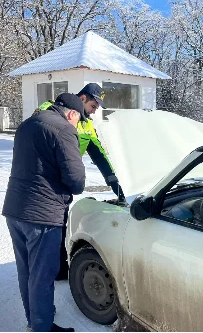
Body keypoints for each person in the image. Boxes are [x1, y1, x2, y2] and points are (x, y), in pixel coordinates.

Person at [3, 93, 86, 333]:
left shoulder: (28, 123)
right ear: (72, 113)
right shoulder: (63, 130)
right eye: (78, 119)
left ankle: (36, 321)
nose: (77, 124)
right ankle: (42, 328)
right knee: (42, 274)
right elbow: (76, 180)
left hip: (15, 209)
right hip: (42, 213)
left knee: (26, 270)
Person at [35, 83, 125, 280]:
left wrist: (117, 186)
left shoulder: (87, 124)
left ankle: (58, 269)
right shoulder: (47, 110)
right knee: (44, 229)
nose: (94, 112)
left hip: (65, 182)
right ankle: (43, 273)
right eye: (93, 106)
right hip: (43, 182)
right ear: (83, 98)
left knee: (61, 225)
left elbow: (100, 154)